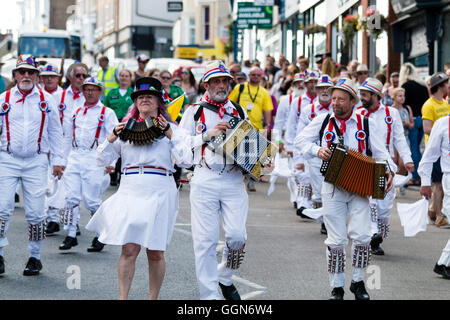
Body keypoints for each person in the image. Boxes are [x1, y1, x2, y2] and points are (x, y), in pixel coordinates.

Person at [86, 77, 192, 299]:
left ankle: (152, 298)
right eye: (140, 97)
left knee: (155, 251)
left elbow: (185, 161)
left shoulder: (172, 129)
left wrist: (171, 135)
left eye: (149, 96)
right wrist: (112, 135)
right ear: (135, 102)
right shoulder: (125, 129)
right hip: (131, 188)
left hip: (160, 188)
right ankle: (123, 298)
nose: (144, 100)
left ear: (158, 102)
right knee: (129, 249)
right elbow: (100, 158)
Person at [296, 77, 394, 300]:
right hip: (332, 187)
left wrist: (389, 170)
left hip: (359, 187)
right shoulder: (322, 121)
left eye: (341, 99)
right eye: (333, 98)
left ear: (353, 101)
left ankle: (358, 283)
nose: (336, 102)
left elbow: (381, 152)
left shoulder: (366, 123)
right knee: (336, 239)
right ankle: (337, 287)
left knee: (362, 237)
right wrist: (316, 150)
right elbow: (300, 140)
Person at [177, 60, 251, 300]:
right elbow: (178, 150)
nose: (221, 85)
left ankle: (225, 276)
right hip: (204, 179)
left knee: (237, 237)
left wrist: (260, 165)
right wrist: (206, 135)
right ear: (206, 84)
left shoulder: (238, 111)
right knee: (205, 242)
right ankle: (210, 297)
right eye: (216, 81)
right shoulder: (194, 111)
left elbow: (249, 149)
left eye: (225, 81)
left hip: (233, 180)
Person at [0, 55, 65, 276]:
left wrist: (58, 161)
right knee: (1, 210)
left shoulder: (47, 100)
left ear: (37, 76)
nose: (26, 76)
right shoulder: (4, 98)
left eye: (31, 72)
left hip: (37, 161)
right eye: (22, 72)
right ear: (15, 75)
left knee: (37, 213)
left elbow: (56, 132)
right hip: (7, 159)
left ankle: (35, 257)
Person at [59, 77, 118, 252]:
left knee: (92, 200)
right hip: (75, 156)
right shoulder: (76, 111)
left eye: (93, 89)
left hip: (95, 158)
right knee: (71, 198)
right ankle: (70, 234)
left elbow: (115, 139)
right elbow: (67, 137)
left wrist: (112, 162)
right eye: (87, 89)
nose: (90, 93)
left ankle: (102, 234)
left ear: (100, 92)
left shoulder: (107, 113)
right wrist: (62, 160)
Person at [356, 78, 414, 255]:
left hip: (387, 165)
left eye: (365, 95)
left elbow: (399, 138)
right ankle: (372, 233)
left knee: (384, 208)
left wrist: (407, 158)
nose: (362, 98)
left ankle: (378, 236)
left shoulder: (391, 114)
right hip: (365, 164)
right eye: (361, 95)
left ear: (376, 95)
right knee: (371, 202)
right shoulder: (358, 113)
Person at [294, 74, 334, 233]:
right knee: (320, 191)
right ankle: (324, 220)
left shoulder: (338, 108)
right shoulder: (307, 110)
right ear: (316, 90)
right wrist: (300, 159)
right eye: (321, 88)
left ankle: (332, 219)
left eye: (327, 88)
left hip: (335, 155)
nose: (324, 91)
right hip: (315, 156)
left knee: (334, 190)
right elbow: (299, 135)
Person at [229, 66, 274, 191]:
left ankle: (250, 181)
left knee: (253, 156)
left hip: (257, 126)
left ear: (261, 77)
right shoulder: (240, 88)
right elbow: (230, 103)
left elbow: (268, 110)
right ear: (249, 76)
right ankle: (236, 178)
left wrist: (268, 125)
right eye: (253, 74)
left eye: (258, 75)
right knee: (237, 153)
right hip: (240, 125)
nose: (255, 77)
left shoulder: (264, 92)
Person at [418, 114, 450, 279]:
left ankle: (443, 263)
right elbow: (429, 156)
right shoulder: (443, 124)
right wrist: (425, 182)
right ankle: (443, 263)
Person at [284, 71, 319, 211]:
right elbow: (291, 125)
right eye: (310, 82)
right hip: (302, 144)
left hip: (318, 146)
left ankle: (316, 207)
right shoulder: (297, 101)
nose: (313, 85)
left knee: (317, 179)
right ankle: (303, 203)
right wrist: (289, 145)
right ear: (305, 84)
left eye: (315, 81)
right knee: (302, 175)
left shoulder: (324, 102)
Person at [40, 64, 68, 235]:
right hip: (42, 144)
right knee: (44, 181)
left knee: (62, 181)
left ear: (58, 78)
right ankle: (49, 218)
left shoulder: (66, 95)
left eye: (52, 76)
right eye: (45, 76)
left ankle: (65, 218)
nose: (49, 79)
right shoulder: (37, 95)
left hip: (62, 143)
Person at [273, 72, 306, 207]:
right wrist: (279, 141)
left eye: (303, 82)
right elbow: (279, 122)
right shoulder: (286, 100)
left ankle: (303, 201)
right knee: (294, 171)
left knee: (305, 173)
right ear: (293, 85)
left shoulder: (314, 101)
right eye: (298, 82)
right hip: (290, 140)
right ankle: (297, 199)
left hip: (307, 141)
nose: (301, 85)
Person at [421, 72, 450, 227]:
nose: (448, 86)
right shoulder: (428, 105)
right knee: (438, 184)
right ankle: (439, 215)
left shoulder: (445, 104)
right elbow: (426, 128)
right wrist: (443, 134)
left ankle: (434, 209)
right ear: (439, 86)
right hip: (435, 151)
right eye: (446, 83)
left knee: (442, 185)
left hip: (445, 151)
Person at [103, 69, 134, 186]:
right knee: (113, 147)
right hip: (113, 123)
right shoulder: (111, 93)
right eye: (122, 75)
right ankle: (112, 175)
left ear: (130, 78)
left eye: (127, 76)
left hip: (128, 124)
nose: (124, 78)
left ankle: (122, 174)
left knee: (125, 149)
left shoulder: (133, 93)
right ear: (119, 77)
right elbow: (105, 108)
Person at [399, 62, 429, 185]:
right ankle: (422, 175)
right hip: (423, 119)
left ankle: (415, 176)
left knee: (413, 149)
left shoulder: (405, 86)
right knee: (419, 149)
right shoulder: (422, 85)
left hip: (412, 120)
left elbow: (404, 103)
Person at [391, 87, 414, 181]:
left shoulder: (407, 109)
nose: (402, 98)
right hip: (393, 139)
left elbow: (412, 124)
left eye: (403, 96)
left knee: (402, 163)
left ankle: (400, 183)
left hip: (405, 137)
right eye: (400, 96)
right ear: (394, 97)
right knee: (393, 162)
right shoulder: (390, 110)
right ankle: (392, 183)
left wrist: (409, 124)